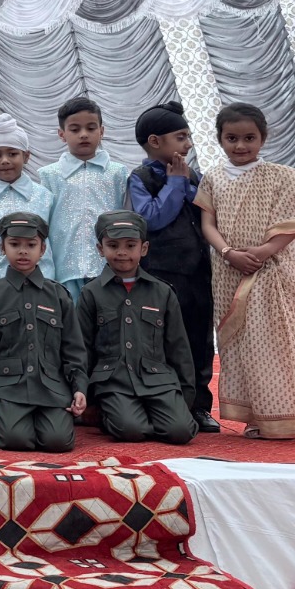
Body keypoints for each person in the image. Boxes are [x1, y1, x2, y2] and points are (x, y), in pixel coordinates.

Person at [196, 103, 295, 439]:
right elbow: (208, 224)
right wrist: (229, 253)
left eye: (249, 138)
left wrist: (263, 252)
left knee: (271, 343)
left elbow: (294, 224)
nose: (240, 145)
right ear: (220, 139)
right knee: (237, 346)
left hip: (267, 271)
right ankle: (252, 416)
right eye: (232, 138)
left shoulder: (285, 178)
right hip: (228, 272)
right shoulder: (212, 178)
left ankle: (278, 418)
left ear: (263, 138)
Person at [129, 101, 220, 433]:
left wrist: (184, 182)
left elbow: (208, 212)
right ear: (155, 141)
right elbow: (152, 219)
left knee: (199, 340)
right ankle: (163, 405)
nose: (188, 144)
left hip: (198, 274)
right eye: (181, 137)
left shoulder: (193, 176)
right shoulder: (140, 178)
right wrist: (175, 184)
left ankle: (199, 406)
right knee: (162, 342)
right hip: (161, 276)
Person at [78, 211, 197, 445]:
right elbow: (82, 348)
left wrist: (185, 398)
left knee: (181, 431)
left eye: (130, 245)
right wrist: (89, 399)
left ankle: (150, 416)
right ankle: (114, 415)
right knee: (130, 430)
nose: (122, 252)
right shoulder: (91, 293)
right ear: (100, 249)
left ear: (144, 248)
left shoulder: (162, 292)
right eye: (113, 245)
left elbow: (178, 348)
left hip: (158, 382)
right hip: (114, 382)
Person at [0, 212, 88, 452]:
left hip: (52, 387)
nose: (23, 251)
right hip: (9, 387)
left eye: (31, 245)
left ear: (43, 249)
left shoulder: (58, 295)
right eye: (15, 244)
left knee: (58, 442)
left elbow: (73, 348)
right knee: (14, 440)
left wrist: (79, 388)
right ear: (2, 248)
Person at [39, 97, 131, 301]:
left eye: (91, 128)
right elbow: (42, 225)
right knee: (70, 318)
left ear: (102, 131)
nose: (83, 134)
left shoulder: (117, 173)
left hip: (109, 268)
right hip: (64, 269)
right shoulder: (49, 175)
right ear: (62, 134)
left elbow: (126, 218)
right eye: (75, 129)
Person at [0, 114, 55, 286]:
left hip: (42, 280)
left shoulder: (44, 196)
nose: (5, 161)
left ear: (26, 156)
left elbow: (53, 239)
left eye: (13, 154)